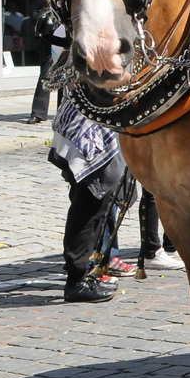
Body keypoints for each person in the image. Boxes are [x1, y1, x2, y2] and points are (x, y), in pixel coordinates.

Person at [49, 101, 134, 303]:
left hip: (92, 124)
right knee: (89, 208)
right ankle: (76, 280)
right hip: (89, 130)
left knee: (95, 209)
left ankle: (84, 273)